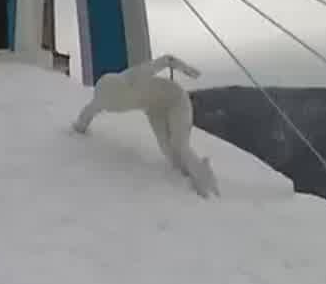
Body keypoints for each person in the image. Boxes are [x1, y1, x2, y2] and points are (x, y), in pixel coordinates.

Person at [71, 53, 218, 198]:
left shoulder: (132, 77)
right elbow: (86, 114)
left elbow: (166, 60)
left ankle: (204, 182)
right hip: (154, 109)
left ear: (122, 87)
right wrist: (79, 128)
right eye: (112, 101)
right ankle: (186, 175)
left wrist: (188, 70)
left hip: (176, 100)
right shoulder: (102, 100)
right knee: (168, 150)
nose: (115, 103)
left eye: (117, 97)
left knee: (179, 144)